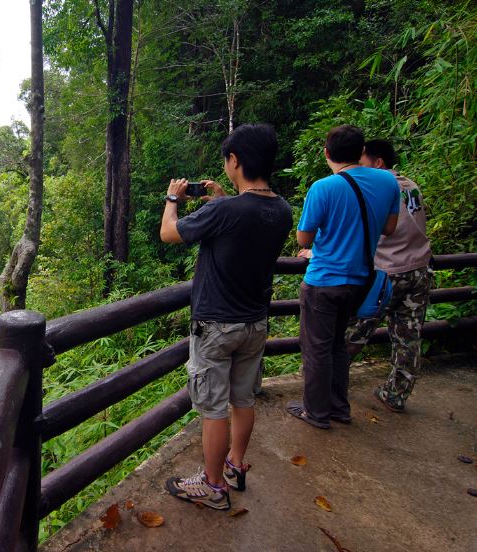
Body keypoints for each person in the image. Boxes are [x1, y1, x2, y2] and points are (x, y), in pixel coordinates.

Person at [160, 123, 292, 510]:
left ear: (234, 160)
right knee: (243, 399)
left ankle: (214, 487)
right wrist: (220, 197)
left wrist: (172, 198)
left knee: (213, 409)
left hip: (216, 324)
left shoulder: (225, 210)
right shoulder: (281, 209)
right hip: (255, 323)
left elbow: (170, 233)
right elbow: (244, 223)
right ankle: (235, 465)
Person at [286, 125, 400, 429]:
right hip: (360, 280)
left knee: (316, 349)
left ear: (327, 153)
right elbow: (389, 229)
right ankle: (339, 408)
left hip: (324, 281)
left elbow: (303, 238)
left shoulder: (324, 187)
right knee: (336, 344)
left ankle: (316, 413)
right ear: (361, 152)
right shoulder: (388, 182)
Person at [345, 139, 432, 412]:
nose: (358, 167)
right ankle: (395, 395)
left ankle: (331, 386)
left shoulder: (378, 188)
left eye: (362, 161)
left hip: (387, 272)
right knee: (408, 337)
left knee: (352, 332)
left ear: (378, 162)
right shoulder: (411, 184)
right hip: (419, 269)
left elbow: (365, 229)